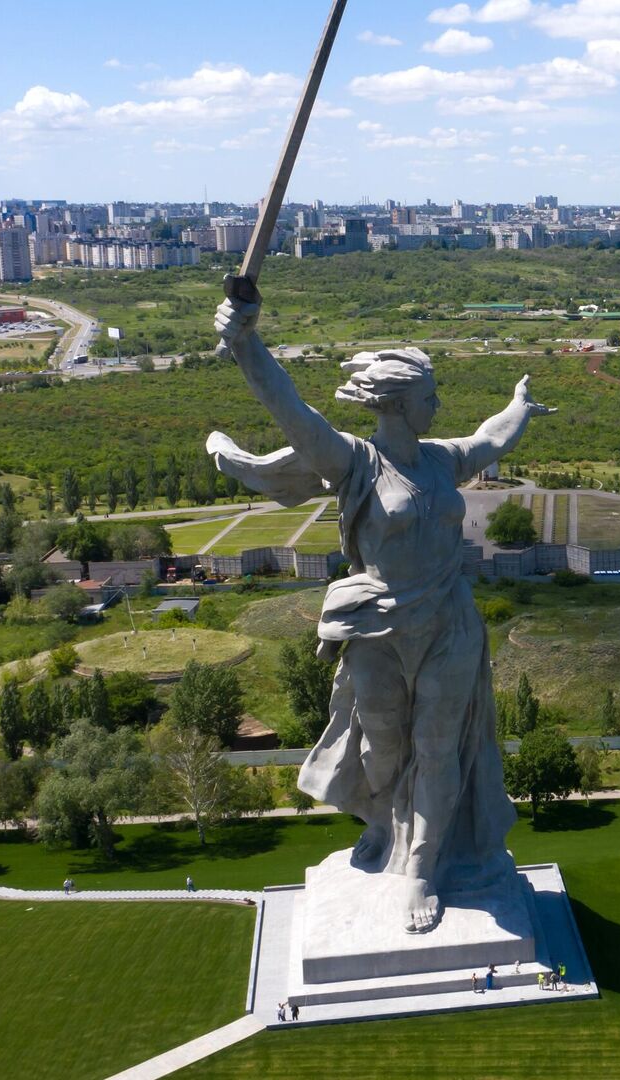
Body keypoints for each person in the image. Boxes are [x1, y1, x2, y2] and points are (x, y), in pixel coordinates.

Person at [213, 295, 555, 935]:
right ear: (399, 404)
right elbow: (292, 410)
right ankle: (385, 826)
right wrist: (245, 343)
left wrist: (519, 405)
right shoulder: (353, 462)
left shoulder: (439, 458)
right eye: (430, 395)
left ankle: (422, 867)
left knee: (438, 748)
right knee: (380, 749)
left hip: (448, 624)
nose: (438, 405)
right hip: (377, 625)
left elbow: (487, 439)